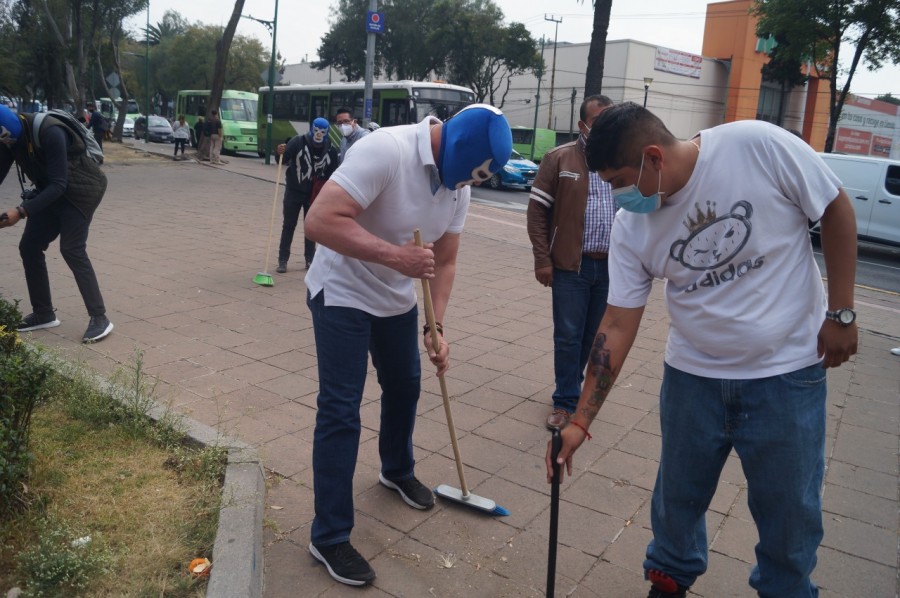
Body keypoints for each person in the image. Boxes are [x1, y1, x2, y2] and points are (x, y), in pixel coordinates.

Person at [547, 102, 858, 598]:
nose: (616, 195)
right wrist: (581, 421)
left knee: (790, 513)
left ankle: (785, 588)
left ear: (653, 157)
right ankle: (668, 580)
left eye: (620, 181)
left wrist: (841, 311)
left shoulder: (757, 146)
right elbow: (618, 324)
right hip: (692, 382)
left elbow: (835, 207)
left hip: (785, 376)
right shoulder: (632, 226)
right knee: (676, 502)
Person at [302, 104, 512, 586]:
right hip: (343, 292)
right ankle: (329, 535)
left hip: (396, 298)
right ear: (458, 150)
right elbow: (320, 220)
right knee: (340, 409)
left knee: (406, 386)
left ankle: (396, 469)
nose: (465, 187)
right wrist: (395, 256)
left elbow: (447, 258)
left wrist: (435, 326)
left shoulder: (459, 185)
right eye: (467, 176)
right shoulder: (386, 150)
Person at [527, 94, 616, 430]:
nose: (607, 128)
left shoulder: (624, 158)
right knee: (567, 335)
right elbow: (537, 214)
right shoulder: (559, 158)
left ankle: (573, 390)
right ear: (582, 126)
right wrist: (542, 259)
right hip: (570, 266)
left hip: (611, 267)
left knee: (593, 337)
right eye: (599, 122)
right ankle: (565, 403)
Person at [0, 104, 114, 343]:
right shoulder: (11, 141)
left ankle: (100, 317)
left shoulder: (50, 131)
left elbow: (59, 183)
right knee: (29, 247)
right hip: (51, 192)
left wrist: (21, 212)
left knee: (71, 248)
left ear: (5, 131)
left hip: (81, 192)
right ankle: (44, 313)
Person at [274, 117, 338, 273]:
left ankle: (310, 260)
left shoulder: (330, 149)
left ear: (326, 133)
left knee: (311, 228)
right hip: (294, 191)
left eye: (322, 133)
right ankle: (283, 260)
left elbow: (333, 174)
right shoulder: (297, 142)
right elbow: (282, 160)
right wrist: (279, 152)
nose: (318, 136)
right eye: (316, 132)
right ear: (312, 130)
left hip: (314, 194)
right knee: (288, 225)